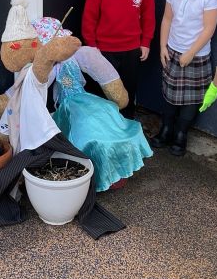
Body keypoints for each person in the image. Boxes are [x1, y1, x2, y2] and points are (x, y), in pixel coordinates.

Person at [31, 17, 153, 192]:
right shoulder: (49, 68)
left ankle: (115, 168)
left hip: (83, 98)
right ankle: (97, 171)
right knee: (85, 129)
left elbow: (100, 69)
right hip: (69, 105)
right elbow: (37, 86)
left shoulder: (76, 56)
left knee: (105, 117)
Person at [150, 0, 217, 156]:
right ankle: (166, 129)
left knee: (191, 99)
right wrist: (162, 46)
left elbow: (208, 29)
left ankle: (181, 133)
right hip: (172, 50)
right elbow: (167, 19)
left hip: (196, 56)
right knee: (170, 94)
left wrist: (190, 53)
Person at [81, 0, 156, 119]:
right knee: (103, 92)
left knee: (128, 91)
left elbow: (148, 14)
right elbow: (89, 17)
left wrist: (145, 42)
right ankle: (105, 126)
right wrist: (92, 47)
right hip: (103, 50)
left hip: (132, 49)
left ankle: (126, 126)